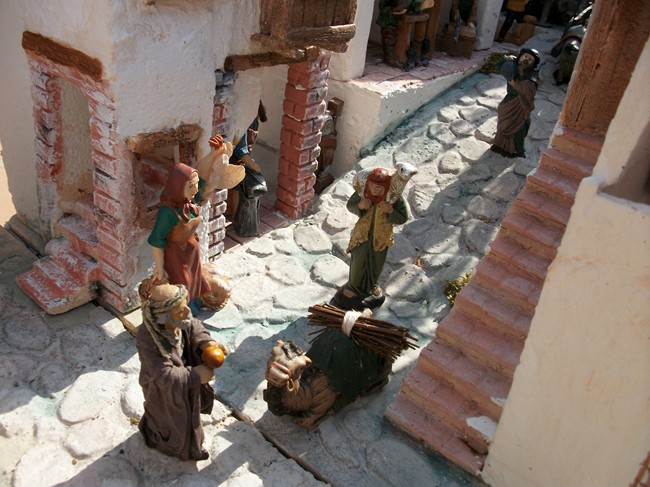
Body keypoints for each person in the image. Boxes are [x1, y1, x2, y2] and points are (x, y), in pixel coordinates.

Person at [148, 136, 243, 315]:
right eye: (190, 186)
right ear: (178, 186)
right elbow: (156, 241)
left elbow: (202, 173)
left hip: (191, 251)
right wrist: (159, 268)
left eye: (195, 186)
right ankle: (183, 307)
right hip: (176, 255)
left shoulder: (190, 202)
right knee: (182, 281)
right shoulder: (168, 212)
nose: (195, 190)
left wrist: (215, 153)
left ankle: (194, 300)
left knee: (194, 279)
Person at [136, 282, 229, 461]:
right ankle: (173, 444)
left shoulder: (179, 321)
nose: (188, 311)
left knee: (188, 414)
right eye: (180, 310)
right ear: (163, 316)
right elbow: (162, 375)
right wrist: (195, 375)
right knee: (171, 422)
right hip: (163, 393)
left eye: (186, 305)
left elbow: (195, 326)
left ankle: (192, 435)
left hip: (182, 378)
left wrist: (207, 344)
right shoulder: (147, 338)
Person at [333, 167, 410, 310]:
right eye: (373, 186)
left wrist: (390, 210)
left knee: (376, 263)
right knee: (358, 261)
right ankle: (353, 287)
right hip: (362, 235)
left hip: (381, 238)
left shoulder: (392, 197)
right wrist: (360, 205)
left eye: (380, 187)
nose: (375, 190)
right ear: (368, 183)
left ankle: (372, 287)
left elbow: (403, 216)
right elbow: (351, 205)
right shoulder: (363, 193)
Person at [491, 48, 541, 158]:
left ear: (533, 64)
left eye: (530, 59)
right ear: (520, 56)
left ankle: (518, 151)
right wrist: (506, 58)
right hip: (509, 101)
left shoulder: (532, 76)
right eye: (525, 56)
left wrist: (516, 85)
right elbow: (499, 66)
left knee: (519, 129)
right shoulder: (512, 66)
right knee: (503, 125)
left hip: (521, 105)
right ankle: (498, 145)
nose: (526, 60)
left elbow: (530, 90)